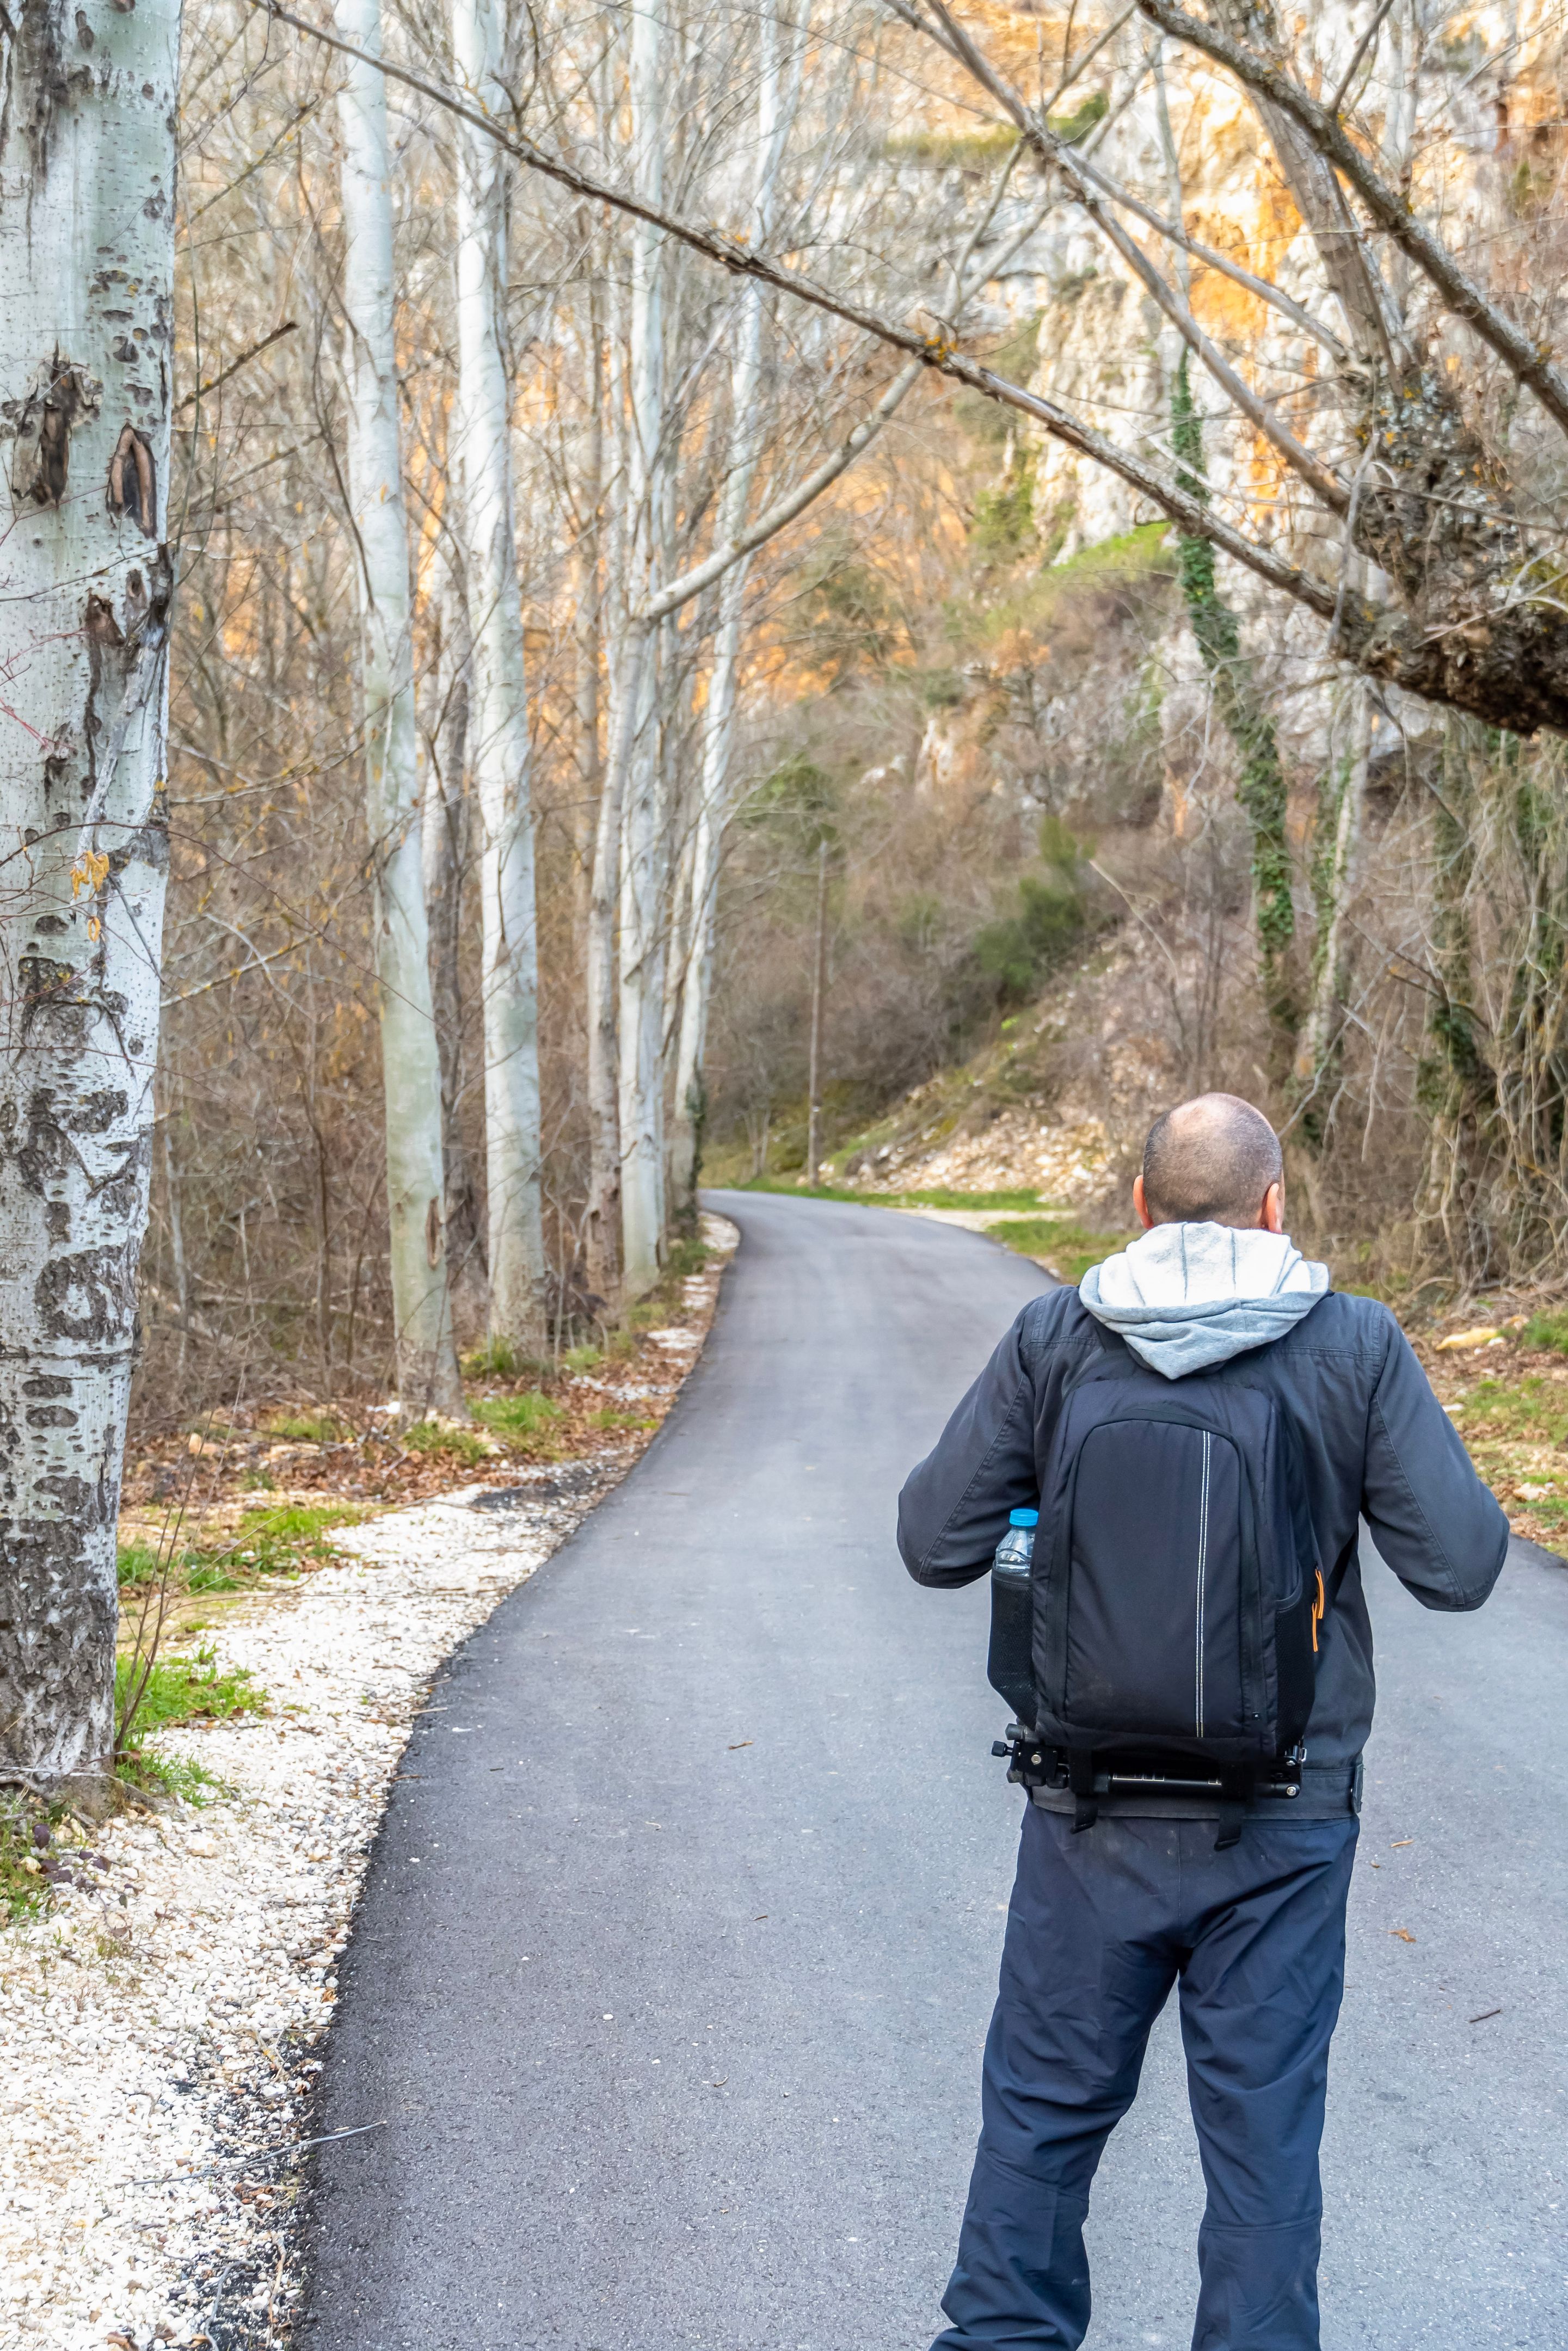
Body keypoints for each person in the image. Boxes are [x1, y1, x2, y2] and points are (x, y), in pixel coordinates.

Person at [897, 1092, 1508, 2351]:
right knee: (1262, 2142)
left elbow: (931, 1541)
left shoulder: (1054, 1338)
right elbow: (1458, 1565)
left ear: (1138, 1207)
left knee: (1041, 2118)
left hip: (1086, 1816)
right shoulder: (1353, 1343)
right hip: (1282, 1816)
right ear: (1274, 1208)